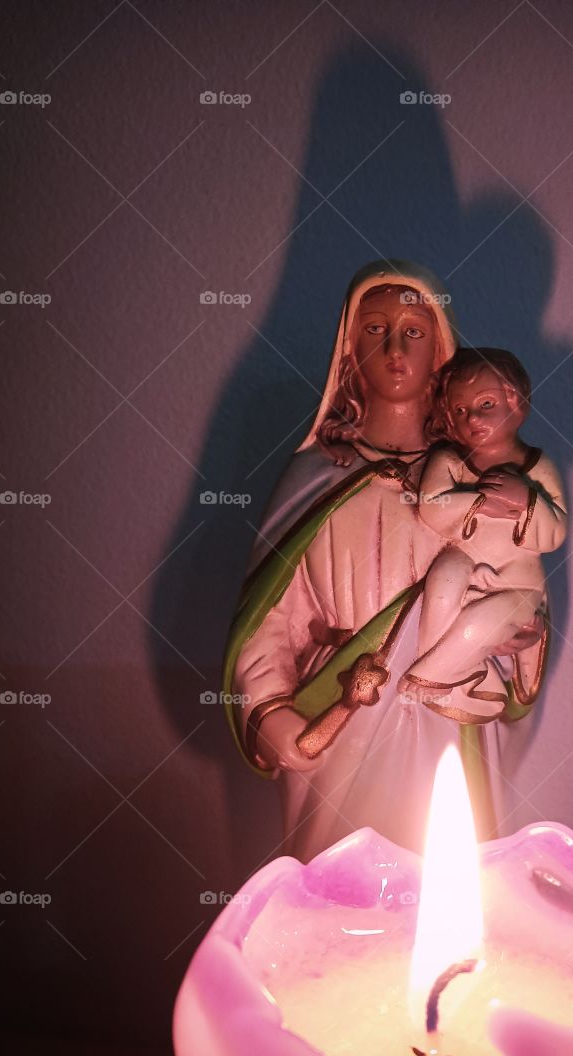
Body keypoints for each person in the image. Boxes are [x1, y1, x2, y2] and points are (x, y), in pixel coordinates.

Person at [223, 264, 550, 862]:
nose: (395, 349)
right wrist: (270, 711)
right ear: (349, 350)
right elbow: (269, 617)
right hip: (343, 703)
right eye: (375, 329)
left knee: (446, 873)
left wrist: (522, 639)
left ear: (440, 351)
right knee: (340, 890)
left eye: (413, 331)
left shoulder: (476, 478)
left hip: (450, 709)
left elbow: (518, 579)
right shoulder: (315, 475)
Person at [399, 348, 567, 722]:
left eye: (485, 403)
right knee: (443, 579)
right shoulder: (449, 461)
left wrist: (525, 501)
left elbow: (555, 532)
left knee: (480, 622)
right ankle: (452, 667)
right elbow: (430, 506)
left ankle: (432, 674)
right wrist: (479, 502)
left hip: (516, 585)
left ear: (513, 400)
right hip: (466, 563)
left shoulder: (538, 467)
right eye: (460, 411)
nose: (472, 417)